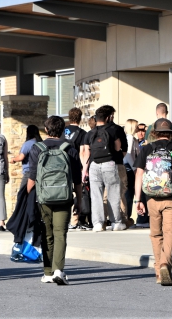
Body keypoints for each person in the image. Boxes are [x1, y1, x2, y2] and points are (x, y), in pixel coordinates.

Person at [134, 118, 172, 286]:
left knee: (156, 235)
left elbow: (139, 174)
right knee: (171, 234)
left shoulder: (146, 149)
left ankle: (158, 272)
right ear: (170, 133)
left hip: (152, 199)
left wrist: (138, 200)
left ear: (154, 133)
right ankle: (165, 264)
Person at [27, 115, 83, 285]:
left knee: (47, 233)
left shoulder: (37, 148)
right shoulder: (70, 148)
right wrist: (79, 200)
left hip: (43, 198)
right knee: (61, 234)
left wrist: (27, 197)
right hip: (64, 197)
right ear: (62, 130)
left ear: (46, 130)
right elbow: (77, 179)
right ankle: (59, 270)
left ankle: (48, 272)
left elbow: (32, 178)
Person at [81, 105, 126, 232]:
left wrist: (84, 171)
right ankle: (116, 222)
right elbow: (118, 148)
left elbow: (86, 153)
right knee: (113, 193)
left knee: (96, 195)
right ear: (107, 118)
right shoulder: (113, 131)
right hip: (109, 164)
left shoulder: (90, 133)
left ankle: (98, 224)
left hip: (94, 165)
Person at [11, 125, 42, 191]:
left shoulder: (28, 144)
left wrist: (13, 159)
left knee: (22, 193)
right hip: (40, 171)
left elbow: (21, 157)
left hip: (29, 172)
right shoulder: (41, 143)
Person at [122, 118, 139, 226]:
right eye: (136, 125)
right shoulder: (130, 138)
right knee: (128, 194)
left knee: (129, 194)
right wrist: (135, 168)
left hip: (129, 168)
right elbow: (128, 154)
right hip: (129, 169)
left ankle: (126, 217)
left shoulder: (132, 138)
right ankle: (126, 217)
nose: (138, 128)